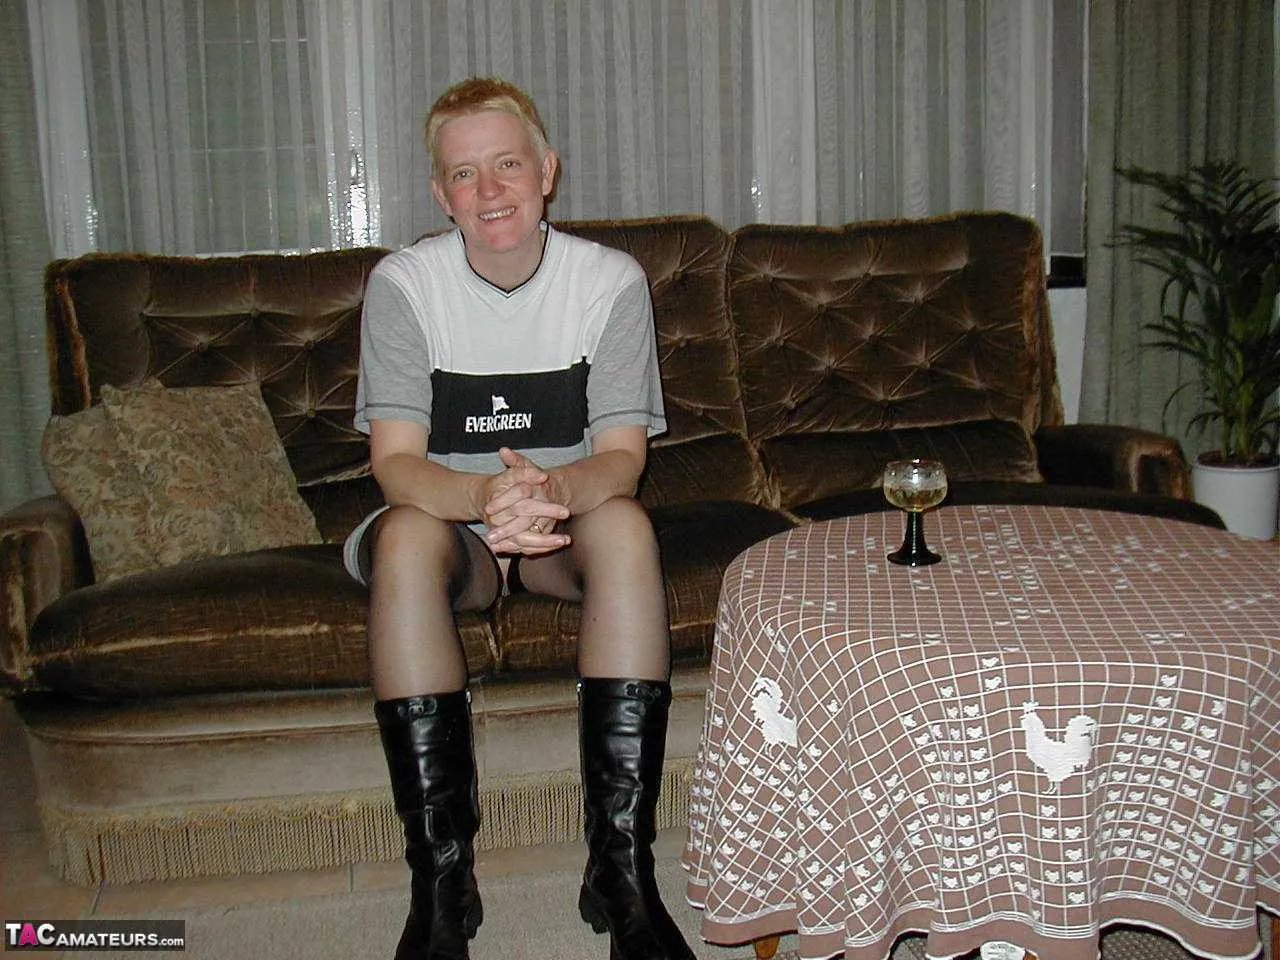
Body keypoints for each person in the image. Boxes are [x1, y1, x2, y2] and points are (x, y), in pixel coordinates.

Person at [343, 76, 696, 960]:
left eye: (507, 165)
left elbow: (622, 459)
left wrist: (550, 494)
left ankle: (622, 873)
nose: (489, 189)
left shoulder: (609, 282)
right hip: (450, 529)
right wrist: (483, 500)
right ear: (441, 194)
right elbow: (395, 465)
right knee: (403, 535)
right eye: (464, 174)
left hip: (559, 523)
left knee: (627, 524)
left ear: (547, 172)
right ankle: (441, 885)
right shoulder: (405, 285)